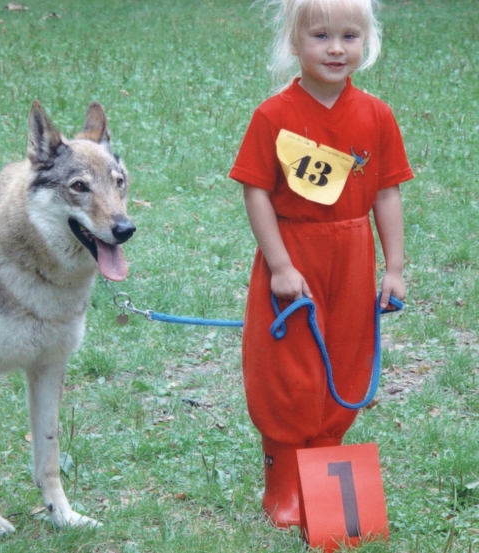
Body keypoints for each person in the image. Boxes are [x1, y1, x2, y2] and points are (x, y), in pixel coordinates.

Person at [228, 0, 413, 528]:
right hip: (296, 258)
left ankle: (323, 479)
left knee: (344, 358)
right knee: (290, 369)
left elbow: (387, 195)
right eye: (321, 36)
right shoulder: (273, 116)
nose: (336, 48)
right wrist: (280, 265)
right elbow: (257, 193)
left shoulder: (376, 114)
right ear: (293, 43)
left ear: (367, 42)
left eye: (350, 36)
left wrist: (393, 266)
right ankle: (283, 483)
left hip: (353, 258)